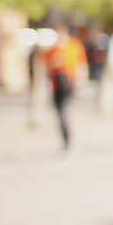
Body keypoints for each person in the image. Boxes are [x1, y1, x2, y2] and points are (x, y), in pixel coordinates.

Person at [44, 23, 86, 151]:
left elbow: (81, 64)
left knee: (65, 111)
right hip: (56, 85)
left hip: (68, 83)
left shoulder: (74, 46)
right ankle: (66, 139)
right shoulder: (52, 50)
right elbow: (47, 68)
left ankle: (69, 139)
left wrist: (81, 80)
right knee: (60, 113)